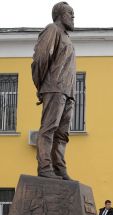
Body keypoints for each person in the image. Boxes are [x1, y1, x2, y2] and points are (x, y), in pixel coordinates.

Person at [31, 2, 76, 180]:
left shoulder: (67, 38)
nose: (73, 17)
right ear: (59, 14)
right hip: (54, 88)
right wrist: (41, 85)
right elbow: (40, 58)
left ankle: (59, 168)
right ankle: (45, 167)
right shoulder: (52, 30)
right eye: (70, 13)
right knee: (49, 129)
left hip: (68, 92)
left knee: (62, 134)